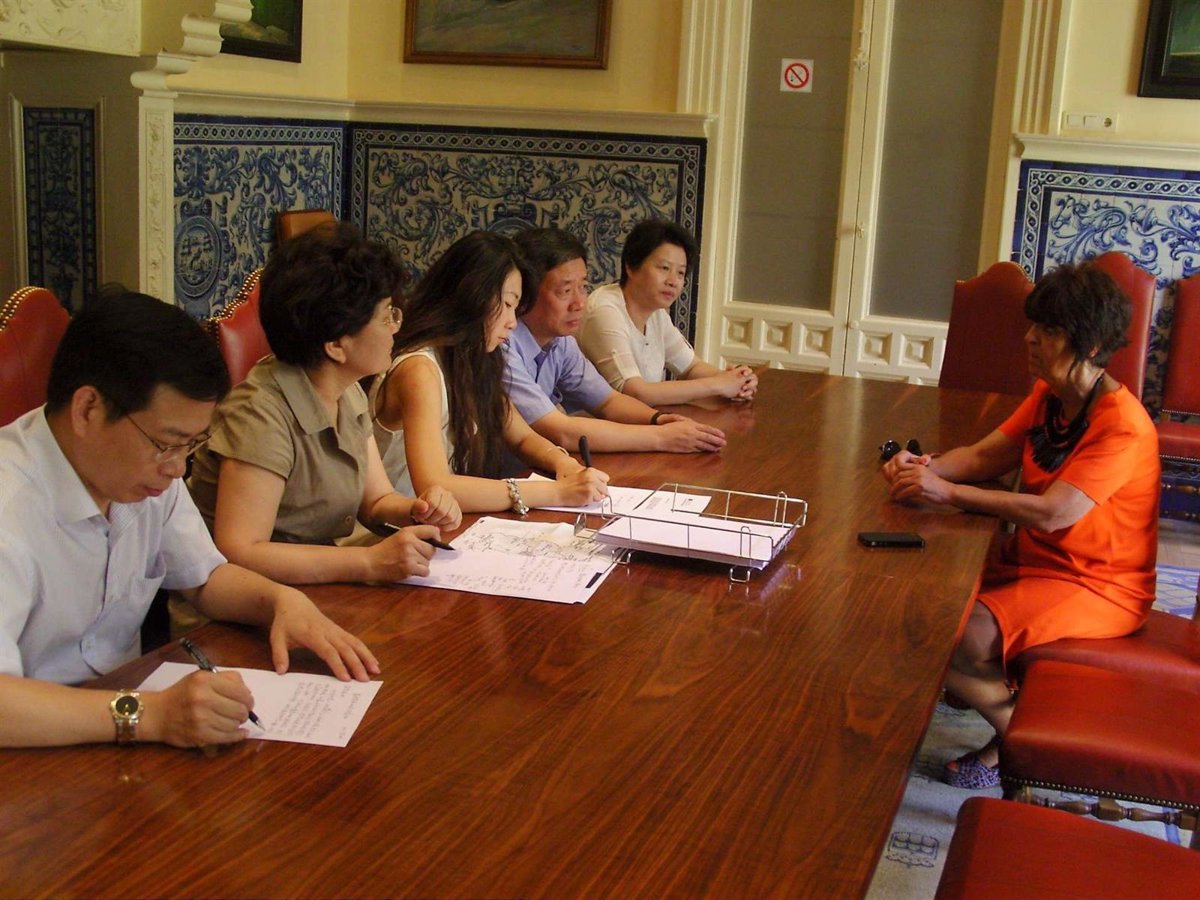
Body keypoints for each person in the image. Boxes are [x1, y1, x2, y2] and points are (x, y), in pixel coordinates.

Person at [0, 290, 379, 749]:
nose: (178, 468)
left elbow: (203, 577)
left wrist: (280, 602)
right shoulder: (11, 505)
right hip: (32, 749)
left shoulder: (139, 473)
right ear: (88, 410)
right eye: (167, 443)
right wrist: (150, 715)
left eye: (191, 445)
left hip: (119, 720)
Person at [882, 262, 1160, 789]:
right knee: (919, 593)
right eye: (1034, 325)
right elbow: (984, 456)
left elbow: (1055, 513)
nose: (1030, 337)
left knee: (948, 631)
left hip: (1098, 584)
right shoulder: (1050, 397)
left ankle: (1022, 738)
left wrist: (949, 493)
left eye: (1049, 330)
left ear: (1091, 346)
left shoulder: (1122, 426)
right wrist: (923, 468)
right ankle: (1007, 707)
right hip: (1036, 558)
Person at [188, 222, 462, 586]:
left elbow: (376, 501)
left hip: (318, 584)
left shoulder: (345, 390)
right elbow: (242, 550)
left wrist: (419, 510)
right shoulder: (260, 414)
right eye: (387, 316)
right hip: (243, 601)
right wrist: (366, 562)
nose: (396, 327)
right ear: (336, 345)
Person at [372, 230, 609, 512]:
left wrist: (564, 464)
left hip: (440, 523)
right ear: (472, 296)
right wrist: (557, 493)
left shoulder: (473, 360)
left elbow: (521, 436)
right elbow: (434, 485)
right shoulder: (419, 369)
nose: (512, 322)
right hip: (394, 526)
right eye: (507, 305)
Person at [505, 227, 727, 454]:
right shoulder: (503, 345)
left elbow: (607, 401)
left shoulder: (561, 342)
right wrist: (663, 437)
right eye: (566, 290)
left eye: (583, 287)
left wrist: (660, 420)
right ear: (525, 292)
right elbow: (560, 432)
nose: (579, 303)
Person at [579, 219, 757, 405]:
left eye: (680, 273)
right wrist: (718, 385)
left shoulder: (656, 314)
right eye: (664, 268)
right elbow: (635, 393)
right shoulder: (604, 310)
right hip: (591, 420)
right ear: (631, 267)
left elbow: (691, 367)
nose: (673, 281)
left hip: (641, 419)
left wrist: (737, 380)